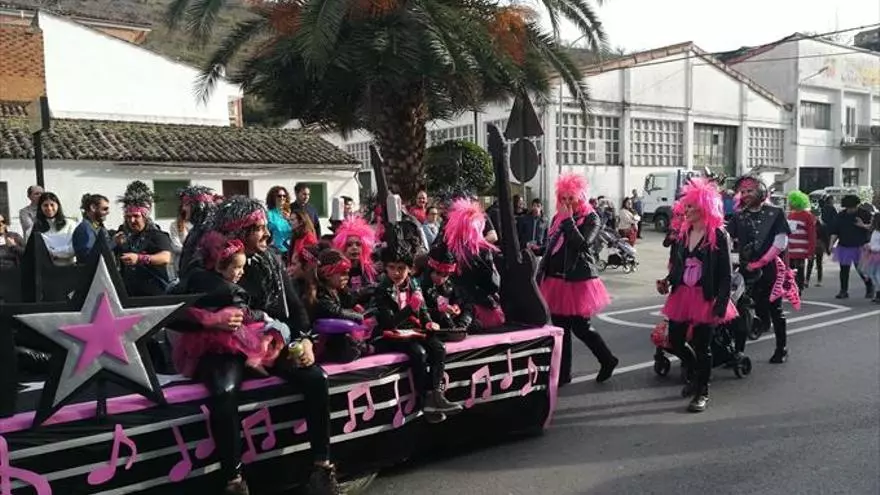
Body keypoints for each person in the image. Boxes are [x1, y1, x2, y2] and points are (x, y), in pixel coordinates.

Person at [174, 195, 337, 495]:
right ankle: (234, 481)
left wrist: (304, 340)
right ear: (239, 230)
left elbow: (296, 311)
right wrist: (212, 321)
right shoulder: (204, 266)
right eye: (259, 228)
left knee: (317, 378)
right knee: (224, 392)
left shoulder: (270, 261)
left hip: (269, 342)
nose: (267, 234)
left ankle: (322, 468)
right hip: (222, 347)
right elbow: (173, 314)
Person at [656, 178, 737, 412]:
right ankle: (694, 373)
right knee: (675, 341)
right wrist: (667, 281)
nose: (686, 210)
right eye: (686, 206)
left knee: (703, 347)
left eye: (691, 206)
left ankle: (702, 391)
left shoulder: (718, 235)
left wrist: (721, 302)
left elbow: (726, 274)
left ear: (704, 207)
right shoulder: (684, 233)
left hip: (705, 296)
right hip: (682, 294)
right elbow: (679, 266)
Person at [371, 221, 462, 424]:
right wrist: (409, 309)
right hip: (390, 335)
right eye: (392, 268)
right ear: (385, 267)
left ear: (409, 269)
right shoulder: (382, 289)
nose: (396, 273)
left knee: (438, 347)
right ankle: (425, 399)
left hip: (412, 331)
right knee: (419, 353)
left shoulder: (413, 283)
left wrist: (428, 322)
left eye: (401, 268)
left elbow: (422, 310)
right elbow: (388, 323)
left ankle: (437, 395)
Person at [538, 174, 618, 385]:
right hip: (555, 280)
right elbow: (553, 246)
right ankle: (564, 373)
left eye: (571, 198)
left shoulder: (591, 218)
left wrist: (568, 221)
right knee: (561, 330)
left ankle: (607, 359)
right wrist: (537, 249)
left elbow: (583, 245)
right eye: (563, 198)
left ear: (579, 197)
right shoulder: (558, 218)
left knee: (581, 328)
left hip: (578, 280)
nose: (567, 202)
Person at [174, 233, 290, 377]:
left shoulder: (200, 279)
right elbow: (244, 314)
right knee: (273, 330)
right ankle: (256, 359)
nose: (242, 272)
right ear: (220, 267)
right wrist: (262, 315)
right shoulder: (231, 291)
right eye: (237, 267)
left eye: (242, 267)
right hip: (225, 334)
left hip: (203, 335)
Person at [727, 175, 790, 364]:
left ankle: (781, 348)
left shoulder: (775, 213)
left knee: (774, 309)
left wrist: (761, 262)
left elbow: (781, 242)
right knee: (739, 310)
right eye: (743, 191)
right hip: (745, 270)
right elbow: (726, 238)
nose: (745, 194)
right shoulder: (739, 215)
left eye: (750, 190)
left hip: (770, 269)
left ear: (761, 191)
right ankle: (737, 353)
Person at [437, 198, 504, 330]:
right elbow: (494, 285)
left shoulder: (449, 249)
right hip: (480, 309)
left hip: (454, 308)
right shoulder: (482, 251)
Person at [312, 249, 374, 363]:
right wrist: (359, 317)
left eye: (347, 273)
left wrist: (371, 291)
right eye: (342, 273)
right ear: (328, 274)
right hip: (324, 342)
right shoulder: (320, 293)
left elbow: (352, 299)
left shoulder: (338, 290)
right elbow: (334, 311)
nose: (347, 277)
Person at [113, 181, 173, 297]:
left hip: (153, 294)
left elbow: (165, 257)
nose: (132, 221)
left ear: (145, 216)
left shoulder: (157, 235)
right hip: (130, 294)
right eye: (128, 217)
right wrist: (115, 244)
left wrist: (139, 258)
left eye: (136, 216)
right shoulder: (123, 235)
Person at [829, 194, 873, 299]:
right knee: (844, 270)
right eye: (848, 208)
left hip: (861, 246)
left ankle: (869, 287)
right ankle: (843, 291)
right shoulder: (841, 216)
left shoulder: (865, 214)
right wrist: (831, 244)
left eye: (853, 207)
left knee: (861, 269)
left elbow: (873, 228)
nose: (851, 210)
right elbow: (835, 231)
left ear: (857, 205)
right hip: (844, 245)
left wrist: (863, 225)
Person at [176, 185, 222, 278]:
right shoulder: (196, 230)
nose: (183, 208)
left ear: (199, 206)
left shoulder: (211, 233)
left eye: (187, 204)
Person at [331, 215, 378, 299]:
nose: (354, 248)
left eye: (358, 244)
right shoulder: (338, 272)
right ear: (342, 247)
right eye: (349, 245)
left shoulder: (369, 270)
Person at [33, 192, 76, 266]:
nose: (49, 208)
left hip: (68, 267)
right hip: (45, 269)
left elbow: (73, 248)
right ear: (40, 207)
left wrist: (53, 252)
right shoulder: (36, 228)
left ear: (58, 206)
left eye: (52, 205)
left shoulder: (70, 224)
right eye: (45, 205)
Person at [786, 191, 816, 293]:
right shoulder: (790, 215)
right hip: (790, 249)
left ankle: (799, 288)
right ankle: (792, 289)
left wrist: (811, 252)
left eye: (790, 202)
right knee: (790, 271)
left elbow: (812, 235)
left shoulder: (808, 216)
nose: (789, 204)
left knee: (799, 270)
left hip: (801, 250)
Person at [72, 193, 112, 263]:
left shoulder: (96, 226)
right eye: (105, 209)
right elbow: (90, 257)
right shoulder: (84, 229)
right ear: (93, 208)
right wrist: (113, 243)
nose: (108, 212)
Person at [265, 185, 294, 255]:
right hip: (277, 251)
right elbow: (266, 233)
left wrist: (289, 220)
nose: (282, 198)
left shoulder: (292, 213)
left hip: (292, 250)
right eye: (279, 196)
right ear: (273, 197)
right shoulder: (269, 214)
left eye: (284, 196)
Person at [859, 213, 880, 303]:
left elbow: (877, 246)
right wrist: (869, 245)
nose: (871, 221)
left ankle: (878, 293)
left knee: (877, 274)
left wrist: (871, 247)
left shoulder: (878, 233)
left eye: (872, 220)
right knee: (872, 274)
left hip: (877, 255)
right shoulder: (875, 231)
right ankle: (878, 292)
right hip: (873, 255)